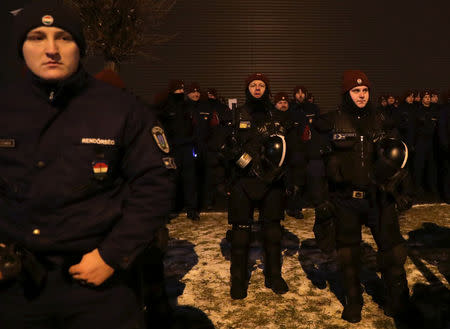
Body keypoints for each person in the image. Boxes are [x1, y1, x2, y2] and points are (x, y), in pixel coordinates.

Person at [0, 1, 174, 328]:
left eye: (64, 38)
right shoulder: (4, 106)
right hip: (15, 285)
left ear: (80, 47)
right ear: (20, 47)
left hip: (98, 281)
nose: (51, 49)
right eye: (37, 37)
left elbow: (155, 184)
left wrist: (113, 255)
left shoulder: (120, 108)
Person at [316, 70, 415, 324]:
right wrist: (320, 199)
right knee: (348, 254)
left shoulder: (382, 119)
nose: (361, 95)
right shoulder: (331, 121)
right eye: (355, 91)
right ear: (346, 93)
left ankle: (399, 301)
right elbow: (315, 165)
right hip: (345, 199)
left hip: (379, 198)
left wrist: (404, 192)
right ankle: (353, 301)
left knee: (393, 252)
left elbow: (400, 158)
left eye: (365, 90)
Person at [215, 74, 293, 299]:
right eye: (253, 85)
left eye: (261, 85)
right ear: (246, 89)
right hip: (242, 180)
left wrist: (292, 179)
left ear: (267, 89)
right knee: (240, 235)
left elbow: (293, 149)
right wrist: (221, 180)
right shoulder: (235, 115)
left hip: (273, 181)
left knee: (273, 233)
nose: (257, 89)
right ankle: (238, 280)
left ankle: (274, 276)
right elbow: (221, 151)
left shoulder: (279, 116)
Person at [158, 80, 200, 220]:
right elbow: (160, 128)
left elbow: (195, 125)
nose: (181, 92)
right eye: (178, 90)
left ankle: (192, 210)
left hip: (187, 148)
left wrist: (193, 140)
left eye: (182, 89)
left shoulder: (188, 106)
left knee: (190, 180)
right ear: (172, 91)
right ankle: (170, 209)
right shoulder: (165, 107)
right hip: (172, 150)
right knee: (171, 180)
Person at [273, 92, 307, 219]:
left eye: (285, 102)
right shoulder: (272, 118)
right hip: (279, 157)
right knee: (280, 184)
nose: (283, 104)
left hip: (295, 155)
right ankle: (278, 209)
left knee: (296, 183)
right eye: (280, 102)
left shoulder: (295, 116)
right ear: (275, 104)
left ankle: (295, 208)